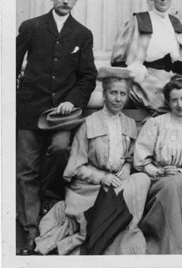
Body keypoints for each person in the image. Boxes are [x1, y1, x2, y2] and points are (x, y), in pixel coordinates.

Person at [16, 0, 97, 255]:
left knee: (61, 149)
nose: (65, 0)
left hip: (61, 115)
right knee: (26, 168)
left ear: (76, 0)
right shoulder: (32, 27)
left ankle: (50, 198)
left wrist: (71, 101)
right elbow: (11, 65)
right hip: (29, 110)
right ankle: (30, 230)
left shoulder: (82, 34)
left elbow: (88, 77)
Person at [36, 68, 151, 255]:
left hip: (118, 182)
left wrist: (128, 165)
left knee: (142, 180)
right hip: (90, 187)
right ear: (104, 94)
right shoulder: (88, 123)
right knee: (104, 208)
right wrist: (101, 177)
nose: (118, 98)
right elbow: (76, 166)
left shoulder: (130, 124)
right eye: (113, 93)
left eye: (123, 94)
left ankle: (122, 226)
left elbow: (130, 155)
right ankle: (105, 234)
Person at [134, 77, 182, 254]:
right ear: (168, 102)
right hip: (159, 181)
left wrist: (179, 171)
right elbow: (141, 160)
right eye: (174, 100)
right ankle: (176, 247)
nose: (180, 104)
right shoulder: (156, 123)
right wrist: (159, 171)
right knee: (171, 185)